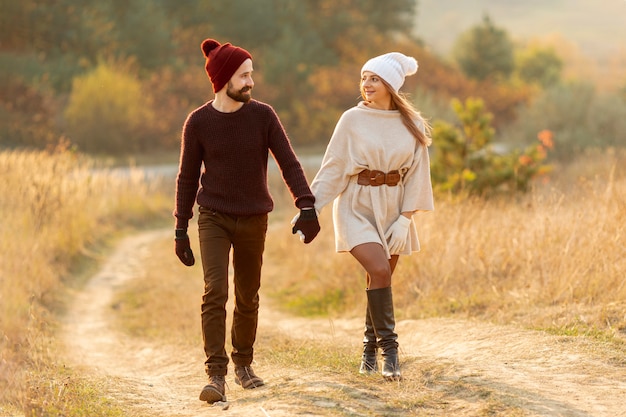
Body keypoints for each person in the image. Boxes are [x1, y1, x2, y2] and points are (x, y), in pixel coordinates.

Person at [173, 38, 321, 404]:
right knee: (215, 292)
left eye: (251, 74)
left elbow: (289, 162)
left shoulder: (264, 116)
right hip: (213, 217)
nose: (251, 82)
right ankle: (217, 374)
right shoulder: (198, 122)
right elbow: (187, 178)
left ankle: (243, 364)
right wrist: (180, 228)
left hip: (254, 217)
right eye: (244, 75)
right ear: (224, 79)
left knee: (247, 295)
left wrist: (306, 205)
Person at [306, 52, 434, 381]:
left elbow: (418, 176)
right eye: (363, 78)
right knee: (378, 269)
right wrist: (311, 207)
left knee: (380, 279)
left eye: (374, 79)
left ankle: (368, 350)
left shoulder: (413, 124)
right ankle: (390, 354)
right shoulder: (351, 119)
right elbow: (334, 167)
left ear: (390, 84)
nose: (366, 84)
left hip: (395, 209)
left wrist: (406, 219)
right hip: (357, 205)